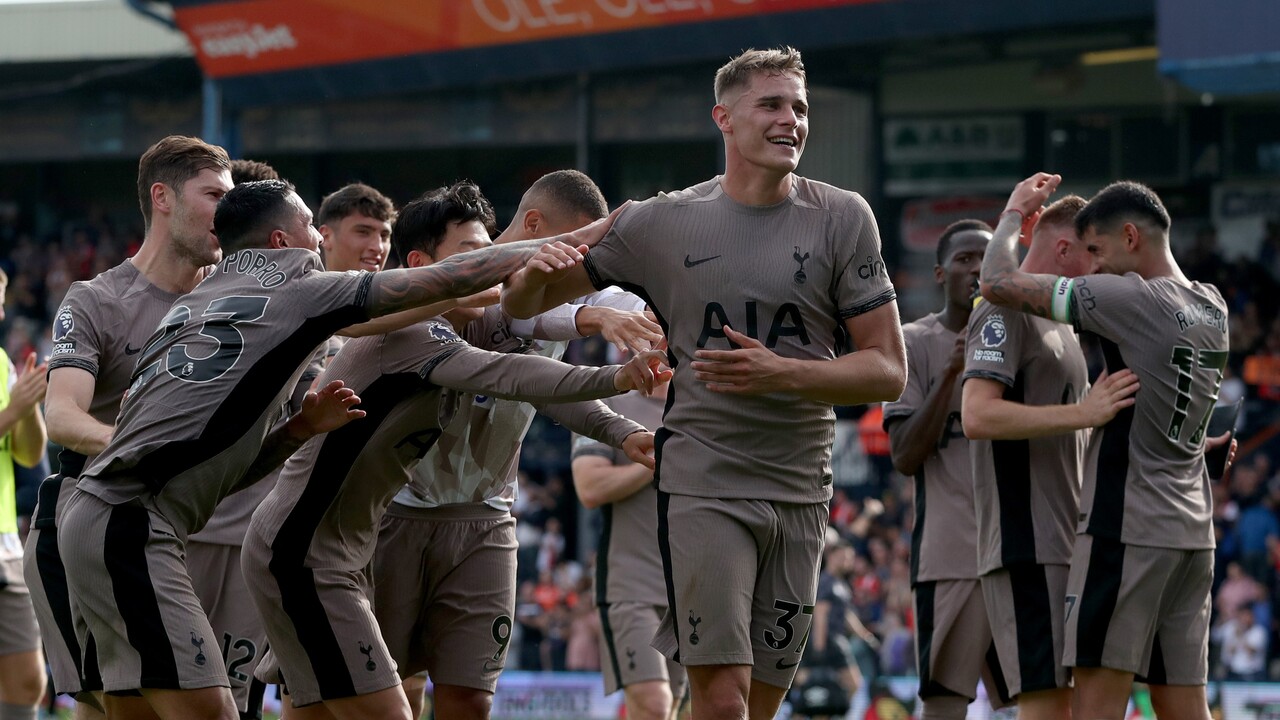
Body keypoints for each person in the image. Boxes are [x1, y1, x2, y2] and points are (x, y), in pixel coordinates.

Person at [56, 178, 617, 720]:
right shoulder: (299, 289)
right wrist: (598, 234)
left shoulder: (204, 297)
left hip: (112, 516)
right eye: (310, 226)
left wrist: (298, 430)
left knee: (136, 712)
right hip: (138, 521)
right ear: (282, 242)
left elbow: (228, 455)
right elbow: (449, 285)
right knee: (214, 711)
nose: (323, 240)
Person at [502, 46, 906, 720]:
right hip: (703, 484)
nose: (792, 121)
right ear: (724, 117)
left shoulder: (844, 218)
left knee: (763, 703)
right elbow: (521, 305)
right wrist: (538, 271)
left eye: (800, 108)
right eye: (772, 105)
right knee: (722, 697)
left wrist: (784, 373)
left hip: (801, 488)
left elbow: (888, 371)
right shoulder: (660, 221)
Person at [241, 185, 666, 719]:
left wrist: (621, 430)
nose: (486, 267)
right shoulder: (418, 329)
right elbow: (512, 370)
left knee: (428, 699)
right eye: (470, 256)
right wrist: (612, 370)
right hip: (346, 536)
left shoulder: (495, 308)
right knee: (346, 703)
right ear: (424, 267)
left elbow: (535, 347)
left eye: (487, 253)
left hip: (442, 528)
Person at [371, 173, 661, 720]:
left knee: (471, 698)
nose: (583, 264)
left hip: (486, 518)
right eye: (578, 245)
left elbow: (546, 384)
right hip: (396, 513)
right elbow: (510, 316)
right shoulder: (434, 296)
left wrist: (627, 428)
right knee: (395, 692)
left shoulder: (567, 291)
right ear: (535, 228)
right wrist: (588, 319)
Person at [978, 175, 1228, 720]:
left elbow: (996, 282)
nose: (1092, 265)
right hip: (1194, 534)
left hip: (1126, 529)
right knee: (1187, 707)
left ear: (1131, 237)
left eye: (1098, 249)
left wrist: (1011, 218)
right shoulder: (1213, 305)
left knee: (1095, 706)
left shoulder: (1129, 296)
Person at [26, 135, 234, 720]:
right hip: (92, 522)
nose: (228, 210)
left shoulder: (232, 300)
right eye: (214, 194)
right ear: (162, 197)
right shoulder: (97, 299)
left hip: (196, 532)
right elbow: (63, 416)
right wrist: (148, 448)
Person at [962, 197, 1138, 720]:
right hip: (1026, 545)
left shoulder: (1062, 327)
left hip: (1066, 543)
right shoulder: (1002, 309)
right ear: (1063, 249)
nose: (1099, 269)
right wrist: (1083, 414)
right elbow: (978, 416)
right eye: (1091, 254)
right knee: (1045, 708)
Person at [882, 220, 1003, 720]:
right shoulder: (914, 342)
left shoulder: (1024, 337)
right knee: (944, 704)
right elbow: (905, 455)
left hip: (1024, 551)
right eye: (965, 259)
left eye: (987, 258)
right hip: (950, 554)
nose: (976, 269)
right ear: (940, 273)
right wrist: (953, 371)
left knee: (1039, 700)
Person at [572, 377, 688, 720]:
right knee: (654, 704)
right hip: (630, 583)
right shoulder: (609, 404)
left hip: (690, 586)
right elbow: (589, 486)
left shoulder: (701, 409)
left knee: (674, 709)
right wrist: (658, 458)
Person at [0, 268, 50, 720]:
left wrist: (28, 407)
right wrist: (14, 407)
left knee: (30, 678)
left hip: (4, 546)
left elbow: (29, 453)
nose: (0, 311)